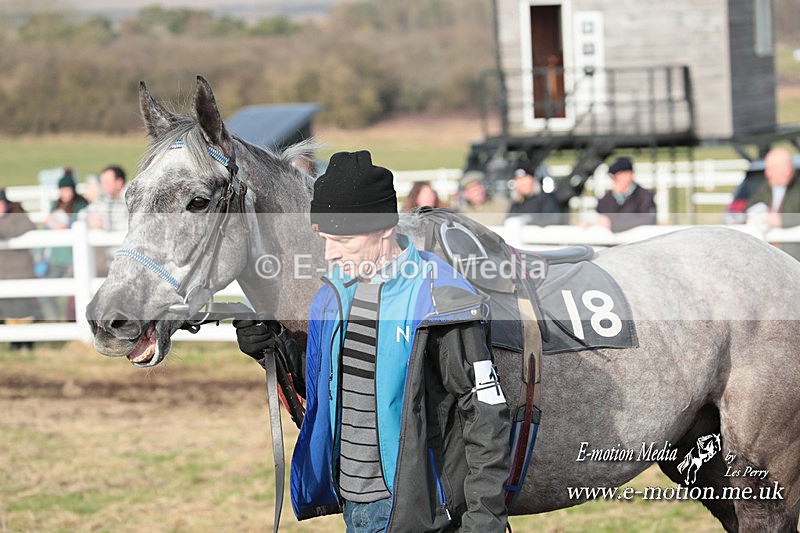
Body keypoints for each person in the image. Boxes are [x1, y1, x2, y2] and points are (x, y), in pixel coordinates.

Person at [234, 151, 510, 531]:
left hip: (419, 511)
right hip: (353, 502)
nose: (330, 253)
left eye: (343, 239)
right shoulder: (331, 295)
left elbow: (487, 416)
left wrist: (484, 519)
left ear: (383, 228)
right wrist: (273, 346)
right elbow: (326, 390)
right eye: (324, 238)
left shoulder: (441, 301)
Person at [41, 171, 89, 320]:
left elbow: (83, 224)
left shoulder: (81, 206)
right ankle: (54, 321)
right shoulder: (54, 206)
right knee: (46, 293)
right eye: (62, 189)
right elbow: (45, 230)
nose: (64, 193)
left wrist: (67, 225)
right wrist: (40, 254)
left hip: (73, 258)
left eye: (67, 189)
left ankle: (73, 323)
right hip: (55, 258)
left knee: (73, 298)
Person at [0, 188, 39, 349]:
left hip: (21, 269)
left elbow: (29, 229)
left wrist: (5, 232)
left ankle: (27, 341)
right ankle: (14, 342)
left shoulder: (18, 215)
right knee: (9, 308)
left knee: (23, 307)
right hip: (4, 272)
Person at [747, 147, 800, 261]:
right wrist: (759, 212)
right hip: (767, 253)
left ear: (786, 170)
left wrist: (782, 221)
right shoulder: (766, 187)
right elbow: (751, 205)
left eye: (771, 169)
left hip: (793, 256)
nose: (767, 173)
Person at [83, 165, 128, 276]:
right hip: (112, 261)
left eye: (107, 182)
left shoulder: (133, 200)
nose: (103, 186)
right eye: (102, 182)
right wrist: (89, 219)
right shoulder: (104, 200)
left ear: (119, 182)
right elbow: (82, 214)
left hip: (131, 260)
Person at [591, 157, 656, 232]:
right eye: (612, 177)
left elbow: (647, 220)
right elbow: (599, 216)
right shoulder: (607, 198)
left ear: (629, 175)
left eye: (616, 177)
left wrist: (613, 224)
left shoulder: (645, 196)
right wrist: (589, 224)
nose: (614, 180)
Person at [506, 160, 564, 225]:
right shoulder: (516, 204)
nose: (522, 183)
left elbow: (555, 220)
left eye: (525, 179)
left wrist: (529, 220)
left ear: (533, 180)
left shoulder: (546, 199)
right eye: (518, 179)